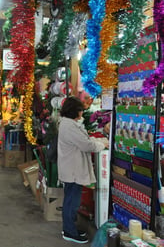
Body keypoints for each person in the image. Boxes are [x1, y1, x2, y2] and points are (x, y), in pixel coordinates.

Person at [57, 97, 109, 244]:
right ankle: (69, 231)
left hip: (71, 168)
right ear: (76, 112)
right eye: (81, 110)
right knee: (72, 202)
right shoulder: (69, 126)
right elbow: (86, 145)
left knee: (70, 200)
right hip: (73, 170)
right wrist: (101, 144)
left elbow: (84, 141)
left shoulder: (68, 124)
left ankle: (69, 227)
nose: (82, 112)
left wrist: (96, 141)